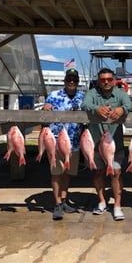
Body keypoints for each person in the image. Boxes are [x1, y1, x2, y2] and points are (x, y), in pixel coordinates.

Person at [81, 68, 132, 221]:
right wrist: (96, 108)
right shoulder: (92, 93)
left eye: (109, 79)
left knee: (115, 173)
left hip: (114, 143)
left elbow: (129, 104)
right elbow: (84, 104)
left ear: (114, 80)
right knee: (97, 172)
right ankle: (102, 201)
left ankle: (117, 205)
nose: (106, 82)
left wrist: (122, 109)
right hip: (95, 141)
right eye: (103, 79)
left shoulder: (120, 93)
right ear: (99, 81)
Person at [42, 68, 85, 220]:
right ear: (65, 81)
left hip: (74, 142)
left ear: (78, 82)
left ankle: (65, 199)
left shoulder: (82, 97)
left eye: (74, 80)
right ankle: (57, 203)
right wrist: (45, 108)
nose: (71, 82)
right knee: (56, 173)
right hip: (54, 141)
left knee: (68, 173)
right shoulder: (53, 95)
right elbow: (44, 111)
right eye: (69, 79)